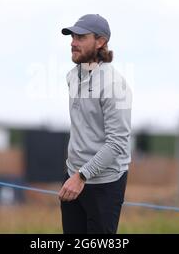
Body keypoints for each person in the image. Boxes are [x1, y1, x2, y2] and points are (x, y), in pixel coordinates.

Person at [58, 14, 132, 234]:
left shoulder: (115, 85)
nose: (73, 42)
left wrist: (82, 176)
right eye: (72, 36)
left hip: (105, 183)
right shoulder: (72, 76)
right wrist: (75, 175)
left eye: (81, 37)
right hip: (73, 177)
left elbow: (117, 143)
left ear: (100, 41)